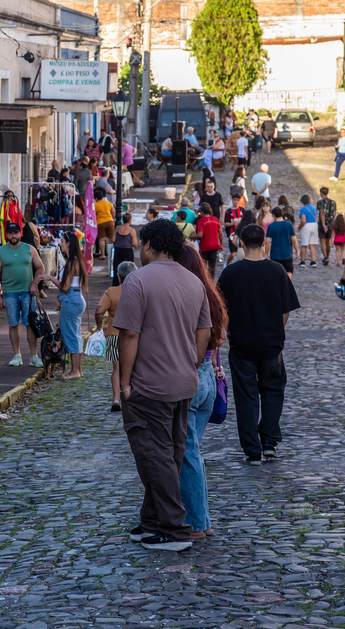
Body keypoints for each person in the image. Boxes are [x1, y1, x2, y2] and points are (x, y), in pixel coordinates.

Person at [114, 219, 211, 551]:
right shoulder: (194, 281)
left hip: (149, 384)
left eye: (142, 244)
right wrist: (190, 364)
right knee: (170, 453)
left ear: (150, 245)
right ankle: (152, 521)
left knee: (153, 456)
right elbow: (203, 333)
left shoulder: (138, 280)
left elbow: (129, 334)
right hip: (183, 382)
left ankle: (173, 529)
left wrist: (124, 383)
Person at [217, 224, 300, 465]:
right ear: (264, 242)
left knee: (246, 397)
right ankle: (269, 442)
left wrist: (226, 331)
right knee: (273, 392)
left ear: (242, 243)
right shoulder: (277, 271)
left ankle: (252, 450)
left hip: (241, 345)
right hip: (271, 345)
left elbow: (221, 310)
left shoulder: (231, 273)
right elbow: (286, 310)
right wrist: (276, 329)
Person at [176, 246, 226, 539]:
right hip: (208, 374)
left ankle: (197, 522)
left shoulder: (188, 298)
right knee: (191, 451)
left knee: (188, 453)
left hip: (194, 373)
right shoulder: (211, 296)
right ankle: (199, 519)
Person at [0, 222, 46, 368]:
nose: (13, 236)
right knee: (13, 324)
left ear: (20, 233)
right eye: (10, 233)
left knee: (31, 324)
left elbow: (40, 267)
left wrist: (35, 283)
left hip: (28, 292)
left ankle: (34, 356)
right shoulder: (0, 252)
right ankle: (17, 355)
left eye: (16, 232)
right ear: (6, 235)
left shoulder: (30, 249)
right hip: (9, 293)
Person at [41, 231, 87, 380]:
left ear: (68, 244)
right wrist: (59, 297)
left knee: (70, 335)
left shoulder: (72, 262)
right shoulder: (75, 261)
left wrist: (50, 278)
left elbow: (65, 286)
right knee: (76, 335)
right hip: (74, 299)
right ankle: (78, 370)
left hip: (71, 300)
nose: (60, 244)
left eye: (62, 241)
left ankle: (75, 370)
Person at [95, 261, 136, 412]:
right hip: (134, 335)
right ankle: (132, 397)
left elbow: (99, 311)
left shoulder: (111, 292)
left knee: (117, 368)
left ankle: (116, 399)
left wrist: (100, 327)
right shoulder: (139, 291)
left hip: (114, 334)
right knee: (134, 367)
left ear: (119, 277)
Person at [264, 207, 299, 278]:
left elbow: (267, 241)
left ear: (274, 215)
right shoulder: (289, 225)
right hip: (287, 254)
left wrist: (266, 253)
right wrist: (297, 251)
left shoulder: (271, 226)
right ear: (282, 213)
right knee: (288, 271)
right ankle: (286, 283)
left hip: (275, 255)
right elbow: (294, 240)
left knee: (275, 273)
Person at [192, 203, 223, 277]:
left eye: (200, 213)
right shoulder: (216, 219)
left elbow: (200, 235)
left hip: (204, 248)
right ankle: (211, 281)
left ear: (202, 212)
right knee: (212, 267)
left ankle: (204, 281)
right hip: (214, 247)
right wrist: (221, 245)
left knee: (203, 267)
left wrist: (191, 237)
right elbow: (221, 234)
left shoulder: (201, 221)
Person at [112, 213, 138, 287]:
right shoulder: (132, 230)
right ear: (130, 220)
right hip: (128, 251)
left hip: (118, 250)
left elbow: (113, 240)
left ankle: (116, 283)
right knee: (129, 268)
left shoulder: (117, 228)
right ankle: (128, 283)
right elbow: (134, 243)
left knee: (117, 268)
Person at [316, 187, 337, 266]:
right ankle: (327, 257)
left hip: (323, 224)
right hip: (331, 223)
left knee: (322, 241)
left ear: (321, 193)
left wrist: (323, 224)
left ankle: (325, 257)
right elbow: (334, 213)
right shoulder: (333, 202)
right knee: (328, 241)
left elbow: (321, 213)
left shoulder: (320, 202)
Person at [297, 195, 320, 268]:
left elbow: (303, 220)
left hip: (306, 226)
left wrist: (299, 227)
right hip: (314, 225)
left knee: (304, 244)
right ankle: (313, 261)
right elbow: (316, 218)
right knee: (312, 244)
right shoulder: (314, 208)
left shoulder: (303, 209)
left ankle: (302, 261)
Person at [93, 188, 115, 259]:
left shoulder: (95, 205)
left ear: (96, 198)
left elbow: (93, 215)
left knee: (101, 239)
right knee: (111, 239)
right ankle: (113, 254)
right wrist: (112, 218)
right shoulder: (108, 203)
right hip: (110, 221)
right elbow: (113, 211)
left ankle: (102, 255)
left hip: (100, 223)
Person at [223, 193, 244, 265]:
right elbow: (225, 224)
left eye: (237, 200)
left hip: (241, 234)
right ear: (232, 200)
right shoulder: (228, 211)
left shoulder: (242, 210)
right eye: (234, 200)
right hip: (232, 234)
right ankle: (227, 264)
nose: (236, 201)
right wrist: (233, 223)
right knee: (233, 253)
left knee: (242, 252)